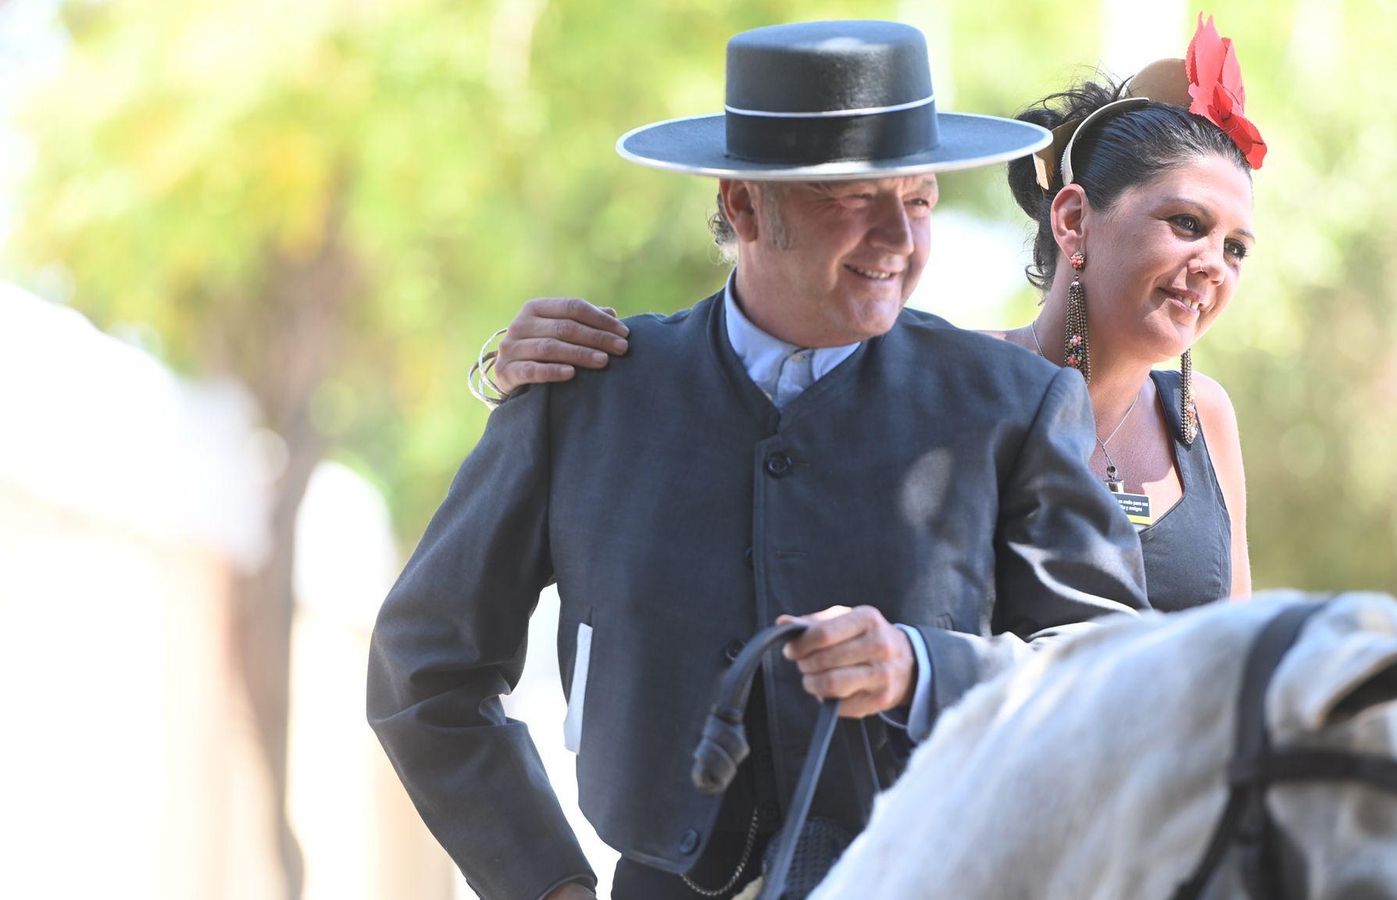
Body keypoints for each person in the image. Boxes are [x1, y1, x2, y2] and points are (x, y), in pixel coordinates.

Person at [369, 20, 1147, 900]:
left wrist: (922, 670)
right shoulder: (583, 398)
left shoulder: (1012, 406)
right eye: (855, 197)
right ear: (743, 205)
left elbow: (1114, 673)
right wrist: (547, 886)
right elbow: (424, 668)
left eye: (920, 200)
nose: (900, 238)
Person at [476, 15, 1262, 613]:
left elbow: (1241, 653)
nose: (1211, 268)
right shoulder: (947, 386)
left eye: (1236, 248)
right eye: (1187, 225)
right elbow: (757, 385)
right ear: (1072, 221)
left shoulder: (1208, 421)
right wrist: (520, 376)